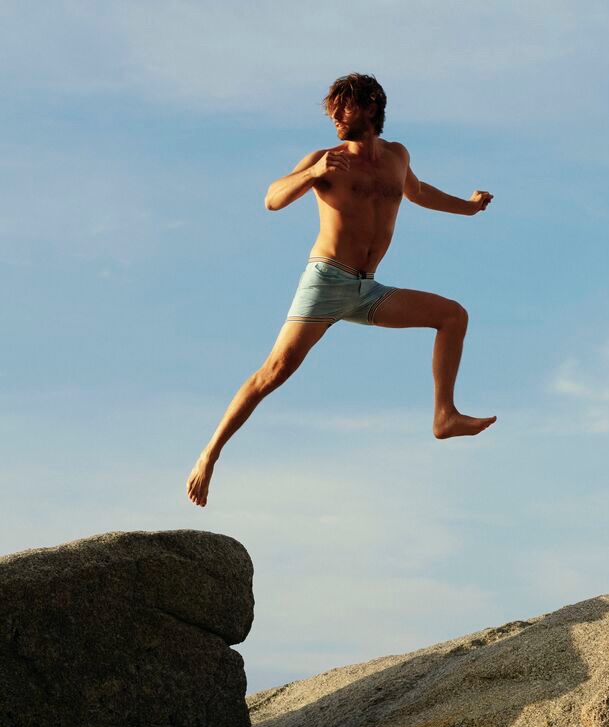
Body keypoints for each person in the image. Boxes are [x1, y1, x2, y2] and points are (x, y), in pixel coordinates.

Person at [186, 72, 496, 507]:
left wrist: (468, 207)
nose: (335, 116)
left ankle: (444, 416)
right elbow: (272, 199)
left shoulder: (397, 157)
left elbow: (419, 192)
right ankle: (210, 453)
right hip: (326, 281)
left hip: (366, 291)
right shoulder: (325, 159)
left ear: (371, 107)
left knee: (452, 315)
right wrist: (312, 172)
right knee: (273, 372)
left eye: (344, 107)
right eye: (332, 109)